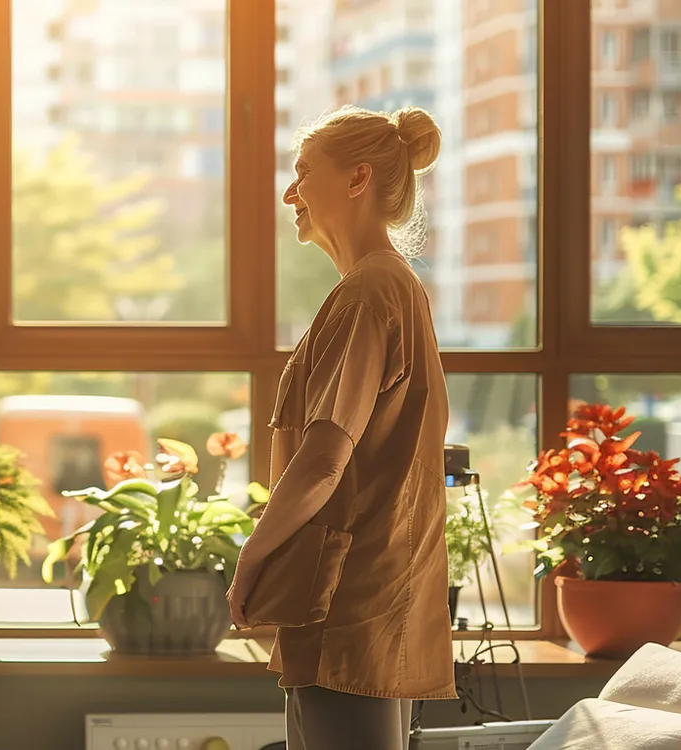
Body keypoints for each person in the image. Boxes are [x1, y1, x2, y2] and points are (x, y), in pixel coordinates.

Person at [225, 104, 455, 750]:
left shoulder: (370, 292)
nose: (288, 192)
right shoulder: (390, 287)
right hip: (371, 613)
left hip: (349, 615)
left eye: (302, 173)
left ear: (357, 180)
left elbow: (325, 458)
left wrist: (252, 556)